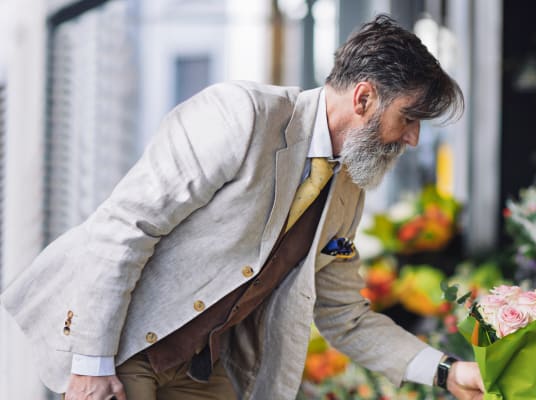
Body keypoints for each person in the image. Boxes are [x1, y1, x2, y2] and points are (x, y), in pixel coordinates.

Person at [1, 14, 484, 400]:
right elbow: (125, 227)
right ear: (364, 98)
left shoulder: (348, 191)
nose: (414, 138)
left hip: (205, 368)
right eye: (410, 118)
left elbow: (345, 316)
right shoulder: (242, 116)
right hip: (127, 345)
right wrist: (90, 365)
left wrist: (447, 372)